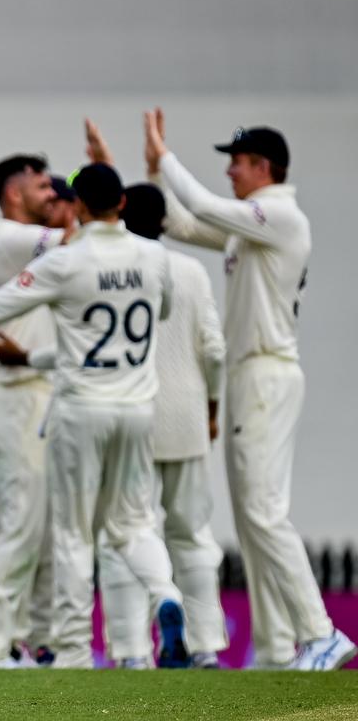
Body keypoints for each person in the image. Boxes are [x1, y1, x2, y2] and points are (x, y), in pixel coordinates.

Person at [0, 163, 190, 669]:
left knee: (68, 533)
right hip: (135, 408)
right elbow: (163, 311)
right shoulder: (154, 256)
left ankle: (68, 649)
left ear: (83, 207)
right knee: (133, 525)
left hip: (78, 406)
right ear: (123, 205)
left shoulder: (67, 261)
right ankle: (166, 595)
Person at [144, 109, 357, 670]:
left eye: (236, 163)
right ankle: (275, 648)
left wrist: (166, 157)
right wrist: (145, 179)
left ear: (264, 167)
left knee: (263, 511)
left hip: (266, 371)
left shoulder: (281, 215)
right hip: (248, 375)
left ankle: (320, 632)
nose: (230, 172)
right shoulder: (255, 227)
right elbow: (185, 226)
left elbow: (206, 208)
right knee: (251, 516)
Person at [95, 182, 228, 669]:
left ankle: (132, 651)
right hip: (187, 416)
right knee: (192, 534)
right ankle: (207, 644)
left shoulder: (115, 267)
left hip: (129, 417)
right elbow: (214, 350)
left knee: (123, 535)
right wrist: (211, 406)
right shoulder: (190, 270)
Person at [0, 155, 66, 669]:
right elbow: (86, 238)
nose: (52, 193)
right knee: (21, 522)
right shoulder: (9, 235)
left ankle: (35, 640)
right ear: (12, 192)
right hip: (15, 393)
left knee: (42, 522)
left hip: (38, 391)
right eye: (42, 185)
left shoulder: (10, 245)